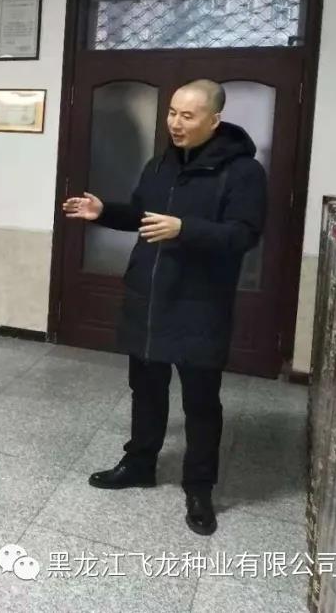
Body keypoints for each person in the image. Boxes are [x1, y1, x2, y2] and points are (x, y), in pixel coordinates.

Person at [63, 79, 267, 536]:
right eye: (172, 112)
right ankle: (140, 463)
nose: (175, 123)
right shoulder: (160, 164)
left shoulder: (243, 172)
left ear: (214, 120)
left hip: (200, 304)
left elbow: (244, 234)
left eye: (187, 115)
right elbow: (144, 217)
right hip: (148, 298)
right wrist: (104, 212)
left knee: (201, 402)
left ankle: (199, 488)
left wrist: (185, 229)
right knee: (146, 388)